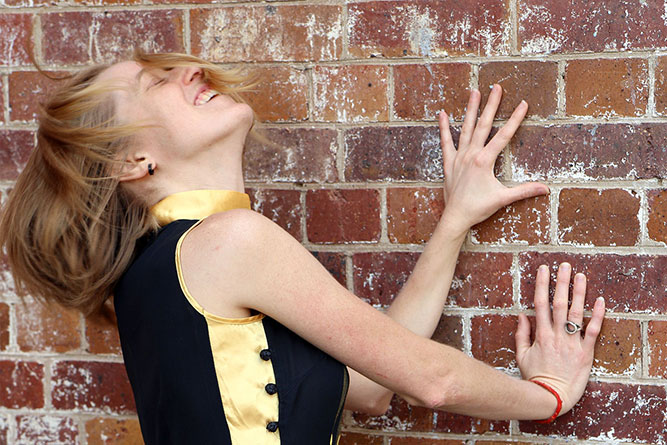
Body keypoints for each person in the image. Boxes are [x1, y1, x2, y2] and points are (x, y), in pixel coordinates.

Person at [0, 51, 606, 444]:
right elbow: (433, 382)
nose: (189, 70)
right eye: (154, 83)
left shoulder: (160, 270)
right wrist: (548, 396)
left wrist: (455, 220)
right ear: (135, 161)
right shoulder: (227, 242)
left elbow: (370, 387)